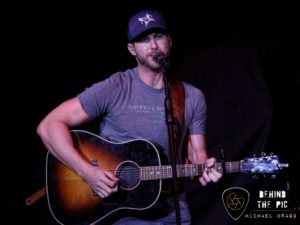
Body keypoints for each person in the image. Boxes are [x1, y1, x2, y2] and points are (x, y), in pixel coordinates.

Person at [37, 9, 222, 225]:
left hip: (175, 211)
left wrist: (206, 169)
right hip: (122, 212)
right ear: (132, 49)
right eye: (144, 40)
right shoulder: (116, 87)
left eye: (158, 36)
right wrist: (87, 172)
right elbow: (48, 126)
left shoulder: (191, 97)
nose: (153, 46)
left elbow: (198, 158)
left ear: (169, 41)